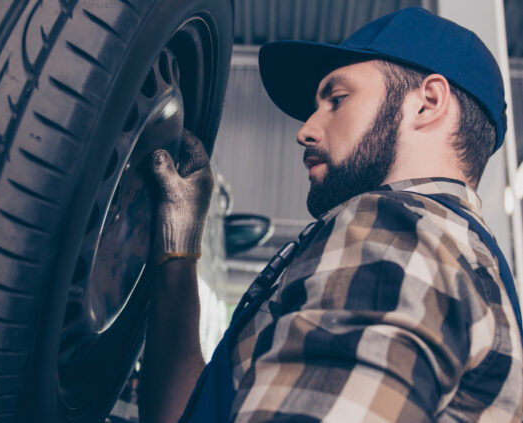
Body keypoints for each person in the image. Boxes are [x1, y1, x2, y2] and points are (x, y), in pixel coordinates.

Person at [139, 7, 523, 423]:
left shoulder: (396, 231)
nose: (305, 129)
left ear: (427, 103)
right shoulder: (452, 255)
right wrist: (177, 259)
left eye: (336, 100)